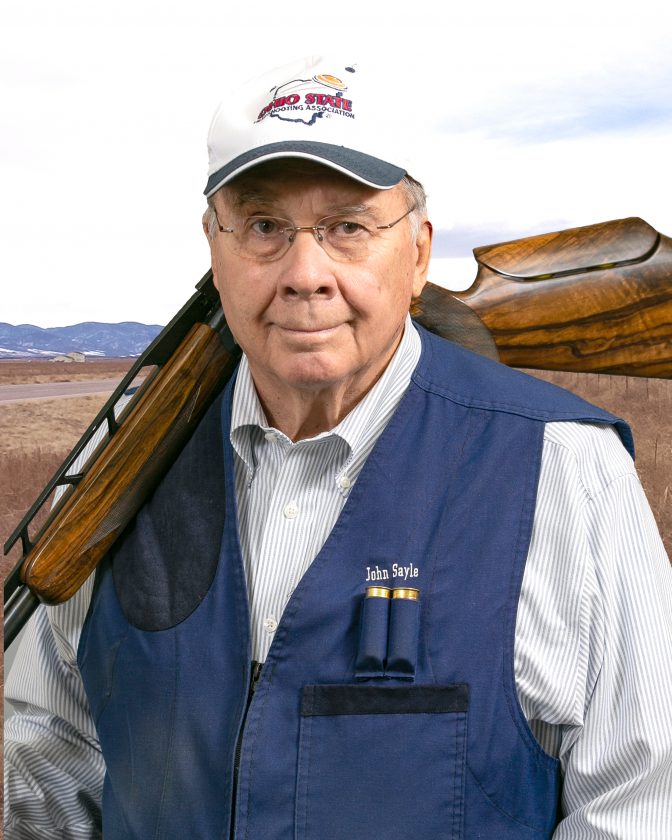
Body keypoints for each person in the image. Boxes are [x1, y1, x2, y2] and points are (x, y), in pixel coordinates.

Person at [4, 56, 672, 839]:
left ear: (418, 254)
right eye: (263, 226)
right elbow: (51, 769)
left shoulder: (563, 466)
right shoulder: (121, 468)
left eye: (348, 227)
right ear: (213, 248)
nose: (305, 274)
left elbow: (642, 805)